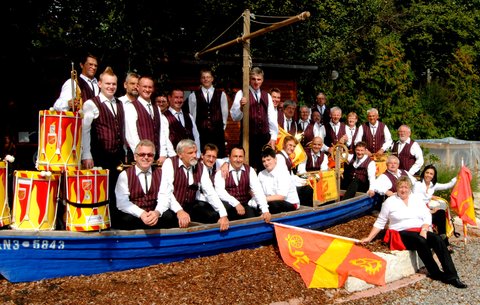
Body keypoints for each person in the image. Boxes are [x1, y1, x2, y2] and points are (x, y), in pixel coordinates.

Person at [360, 176, 467, 289]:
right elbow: (380, 222)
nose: (403, 190)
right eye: (401, 187)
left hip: (419, 229)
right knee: (420, 240)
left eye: (406, 187)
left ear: (410, 188)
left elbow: (426, 215)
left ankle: (452, 276)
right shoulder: (389, 202)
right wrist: (369, 237)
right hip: (400, 233)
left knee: (437, 239)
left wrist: (425, 229)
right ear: (397, 188)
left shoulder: (416, 199)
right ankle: (435, 272)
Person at [81, 66, 125, 216]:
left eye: (113, 84)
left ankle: (114, 221)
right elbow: (85, 131)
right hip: (99, 155)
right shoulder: (91, 104)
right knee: (99, 191)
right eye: (108, 84)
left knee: (116, 189)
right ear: (100, 84)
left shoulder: (120, 104)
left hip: (116, 155)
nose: (111, 87)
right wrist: (86, 155)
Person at [159, 139, 229, 231]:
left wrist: (223, 214)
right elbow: (167, 192)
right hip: (171, 206)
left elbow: (210, 191)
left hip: (190, 206)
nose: (194, 156)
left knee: (213, 215)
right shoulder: (170, 163)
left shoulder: (200, 166)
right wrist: (179, 211)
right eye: (190, 153)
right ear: (180, 154)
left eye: (195, 152)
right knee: (167, 218)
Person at [114, 140, 177, 229]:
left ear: (154, 157)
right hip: (135, 216)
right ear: (135, 157)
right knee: (125, 219)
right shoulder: (124, 175)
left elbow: (164, 197)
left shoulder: (161, 173)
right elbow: (122, 202)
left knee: (169, 216)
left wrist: (156, 212)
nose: (146, 157)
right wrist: (141, 214)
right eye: (142, 154)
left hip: (153, 214)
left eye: (150, 155)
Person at [230, 67, 278, 170]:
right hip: (248, 138)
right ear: (249, 79)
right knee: (248, 166)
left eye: (259, 79)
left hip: (264, 138)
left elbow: (272, 118)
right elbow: (234, 117)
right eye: (253, 79)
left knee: (265, 166)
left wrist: (273, 137)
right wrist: (241, 107)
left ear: (262, 80)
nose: (256, 82)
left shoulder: (267, 96)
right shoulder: (241, 93)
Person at [124, 76, 175, 165]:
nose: (147, 90)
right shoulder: (131, 107)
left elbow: (162, 133)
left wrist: (163, 153)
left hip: (156, 157)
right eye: (144, 87)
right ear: (138, 87)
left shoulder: (156, 109)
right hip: (138, 158)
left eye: (150, 87)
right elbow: (131, 135)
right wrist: (140, 154)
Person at [214, 146, 272, 222]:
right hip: (228, 206)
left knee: (253, 221)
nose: (238, 160)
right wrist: (236, 203)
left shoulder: (250, 170)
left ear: (244, 158)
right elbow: (220, 192)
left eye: (240, 157)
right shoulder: (222, 171)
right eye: (235, 156)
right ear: (229, 157)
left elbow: (258, 190)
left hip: (245, 205)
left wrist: (265, 210)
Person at [413, 165, 457, 251]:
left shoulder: (433, 185)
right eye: (427, 173)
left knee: (441, 213)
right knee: (437, 213)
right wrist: (429, 211)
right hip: (418, 211)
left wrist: (458, 177)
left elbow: (447, 185)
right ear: (423, 173)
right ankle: (442, 243)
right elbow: (415, 201)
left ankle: (444, 241)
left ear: (433, 176)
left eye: (431, 174)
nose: (428, 175)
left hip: (427, 210)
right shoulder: (417, 185)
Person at [187, 69, 229, 158]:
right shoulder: (193, 95)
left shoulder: (221, 94)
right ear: (201, 80)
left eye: (208, 77)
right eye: (203, 77)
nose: (206, 79)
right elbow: (192, 115)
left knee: (218, 156)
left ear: (212, 79)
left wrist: (221, 127)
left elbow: (224, 114)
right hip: (202, 133)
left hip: (217, 132)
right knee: (203, 156)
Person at [258, 146, 300, 214]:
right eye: (264, 161)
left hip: (290, 202)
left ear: (275, 159)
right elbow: (257, 190)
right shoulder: (261, 174)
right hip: (269, 201)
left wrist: (262, 199)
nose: (266, 163)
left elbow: (281, 196)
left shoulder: (283, 173)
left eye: (269, 160)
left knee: (273, 205)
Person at [164, 88, 201, 157]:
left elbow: (196, 136)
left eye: (181, 97)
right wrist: (173, 156)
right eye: (176, 97)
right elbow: (166, 139)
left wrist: (197, 153)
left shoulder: (189, 116)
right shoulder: (164, 117)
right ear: (169, 98)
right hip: (175, 156)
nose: (179, 100)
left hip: (191, 156)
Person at [296, 136, 329, 206]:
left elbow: (323, 171)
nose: (316, 146)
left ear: (322, 145)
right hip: (305, 180)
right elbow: (300, 171)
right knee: (307, 190)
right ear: (311, 144)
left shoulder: (324, 156)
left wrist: (314, 178)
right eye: (314, 144)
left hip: (318, 180)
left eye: (319, 145)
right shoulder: (304, 154)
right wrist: (310, 178)